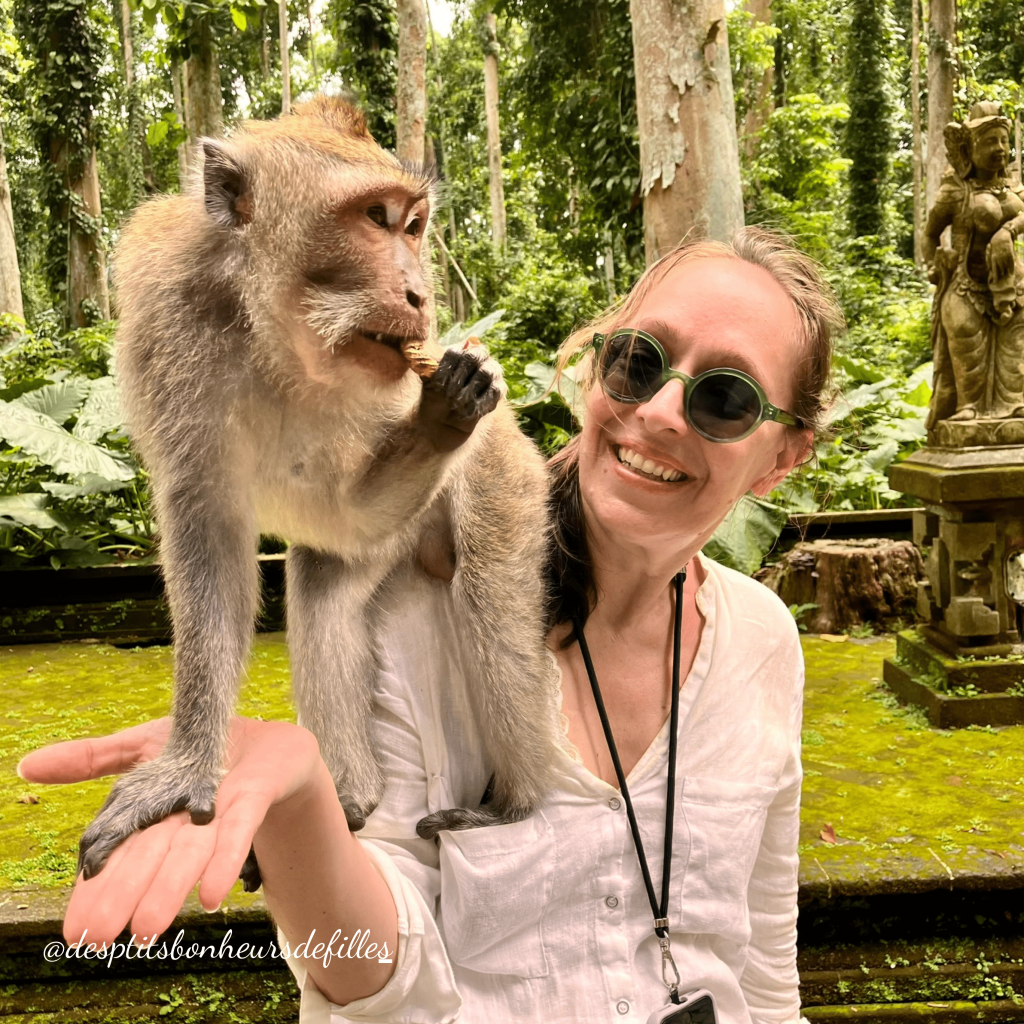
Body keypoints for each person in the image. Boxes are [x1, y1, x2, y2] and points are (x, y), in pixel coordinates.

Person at [19, 227, 843, 1024]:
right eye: (637, 362)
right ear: (594, 373)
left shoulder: (762, 640)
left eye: (726, 399)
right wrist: (305, 798)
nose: (661, 411)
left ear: (783, 458)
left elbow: (764, 973)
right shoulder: (406, 608)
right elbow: (375, 979)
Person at [924, 100, 1024, 426]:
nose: (999, 148)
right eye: (989, 141)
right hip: (965, 283)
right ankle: (968, 407)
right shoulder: (955, 190)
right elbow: (930, 234)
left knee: (1015, 342)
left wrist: (1007, 231)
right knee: (967, 337)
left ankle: (1012, 405)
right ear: (970, 147)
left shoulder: (1012, 186)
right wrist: (934, 262)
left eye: (1003, 141)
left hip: (1011, 282)